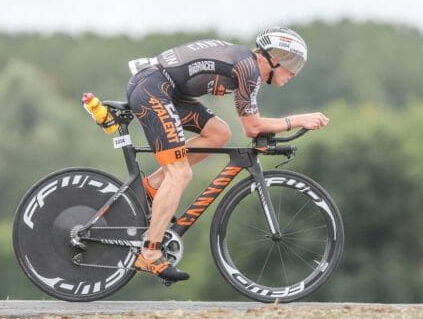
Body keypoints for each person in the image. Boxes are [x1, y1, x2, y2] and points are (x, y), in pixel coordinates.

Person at [126, 27, 329, 281]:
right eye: (293, 66)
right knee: (179, 174)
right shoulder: (248, 70)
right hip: (153, 89)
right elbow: (252, 127)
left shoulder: (245, 64)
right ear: (275, 59)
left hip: (164, 88)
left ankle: (152, 188)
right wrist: (299, 120)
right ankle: (150, 254)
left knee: (218, 133)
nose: (294, 74)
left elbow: (249, 127)